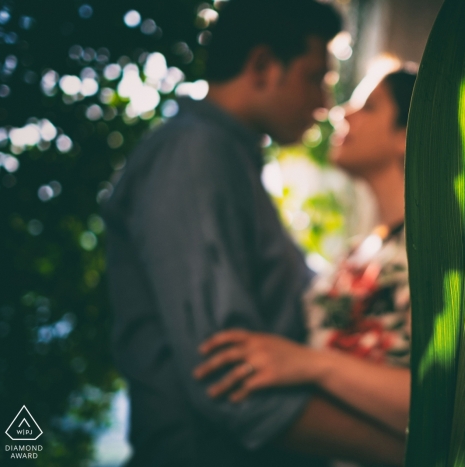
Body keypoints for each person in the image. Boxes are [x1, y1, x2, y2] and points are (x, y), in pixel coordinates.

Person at [103, 1, 405, 466]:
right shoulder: (195, 155)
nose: (325, 104)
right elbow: (230, 379)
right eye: (314, 78)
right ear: (263, 66)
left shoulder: (228, 161)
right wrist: (409, 452)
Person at [193, 68, 418, 441]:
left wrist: (312, 366)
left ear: (408, 135)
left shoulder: (430, 254)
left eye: (370, 107)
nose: (344, 113)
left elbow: (449, 409)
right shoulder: (362, 251)